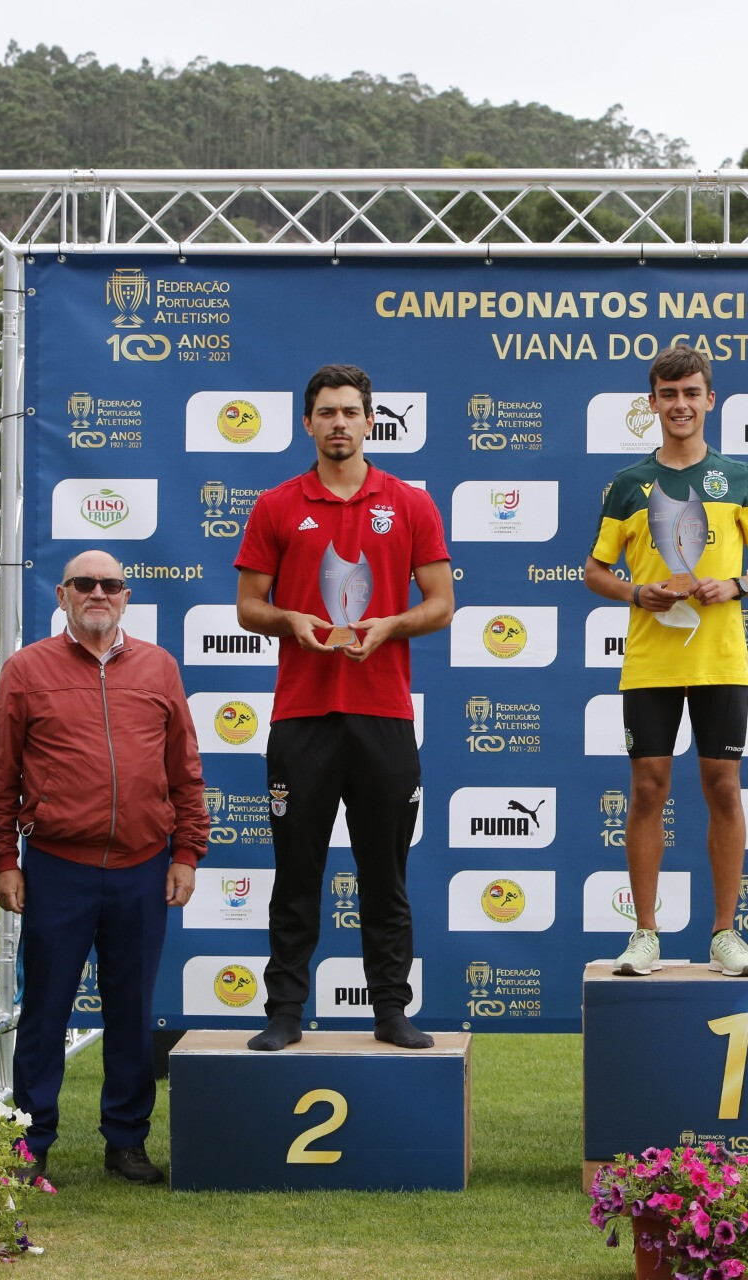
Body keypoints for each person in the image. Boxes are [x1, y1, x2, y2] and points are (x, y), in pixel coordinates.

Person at [235, 363, 454, 1053]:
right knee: (296, 872)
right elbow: (248, 608)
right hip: (301, 716)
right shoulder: (275, 504)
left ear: (369, 421)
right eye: (325, 412)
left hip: (383, 714)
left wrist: (390, 625)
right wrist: (290, 621)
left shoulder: (410, 504)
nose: (338, 423)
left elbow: (442, 605)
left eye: (349, 412)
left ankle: (390, 1011)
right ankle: (284, 1014)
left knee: (384, 874)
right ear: (308, 423)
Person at [0, 550, 207, 1185]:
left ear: (126, 596)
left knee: (132, 1011)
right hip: (57, 866)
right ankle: (31, 1143)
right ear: (63, 594)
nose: (98, 592)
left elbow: (184, 770)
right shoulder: (27, 669)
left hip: (142, 865)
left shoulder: (159, 667)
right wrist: (2, 858)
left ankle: (126, 1142)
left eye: (110, 584)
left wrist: (186, 852)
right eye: (85, 583)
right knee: (46, 1009)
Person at [582, 345, 748, 978]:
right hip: (651, 660)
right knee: (648, 789)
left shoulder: (739, 478)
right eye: (668, 394)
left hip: (721, 660)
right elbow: (593, 571)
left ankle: (725, 933)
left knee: (723, 788)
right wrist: (635, 591)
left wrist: (737, 586)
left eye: (691, 392)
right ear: (652, 403)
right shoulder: (627, 483)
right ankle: (646, 932)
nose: (680, 404)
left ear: (709, 400)